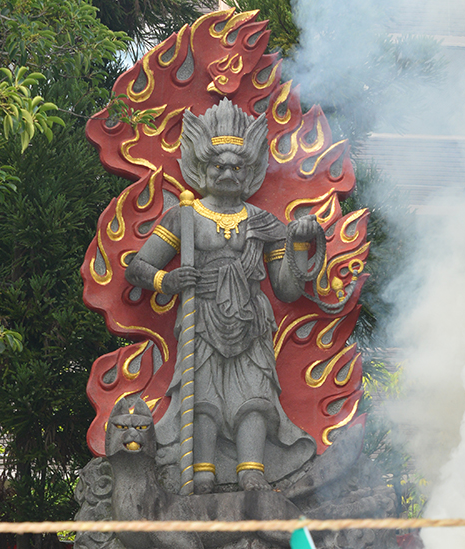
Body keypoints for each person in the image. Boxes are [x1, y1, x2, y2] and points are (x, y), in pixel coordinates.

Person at [125, 99, 321, 493]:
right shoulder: (185, 216)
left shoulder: (264, 222)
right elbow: (137, 269)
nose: (229, 172)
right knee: (202, 397)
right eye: (220, 166)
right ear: (202, 169)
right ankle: (203, 471)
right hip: (202, 316)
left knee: (255, 394)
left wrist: (300, 247)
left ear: (249, 173)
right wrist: (169, 280)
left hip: (251, 320)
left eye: (237, 166)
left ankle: (252, 470)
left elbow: (285, 288)